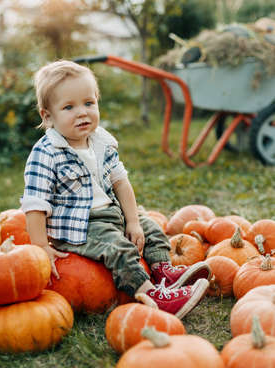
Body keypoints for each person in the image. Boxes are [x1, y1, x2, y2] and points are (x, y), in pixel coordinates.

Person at [21, 60, 211, 319]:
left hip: (111, 212)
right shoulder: (45, 154)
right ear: (48, 116)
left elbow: (121, 182)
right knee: (118, 248)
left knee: (150, 227)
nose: (82, 113)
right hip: (81, 227)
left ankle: (163, 271)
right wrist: (41, 247)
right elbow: (35, 204)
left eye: (89, 103)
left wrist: (133, 220)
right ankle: (152, 296)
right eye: (69, 107)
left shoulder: (100, 141)